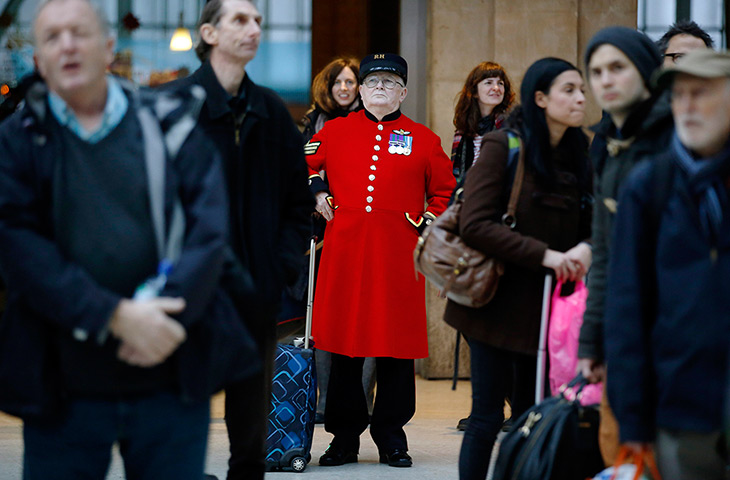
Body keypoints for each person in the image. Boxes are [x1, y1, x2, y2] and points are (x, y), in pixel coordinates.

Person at [0, 0, 257, 478]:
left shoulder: (169, 122)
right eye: (52, 37)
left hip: (169, 365)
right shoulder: (17, 139)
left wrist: (165, 314)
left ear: (109, 48)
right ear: (38, 60)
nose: (68, 45)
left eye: (80, 32)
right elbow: (17, 247)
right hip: (61, 379)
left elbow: (208, 229)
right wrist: (116, 316)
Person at [164, 1, 313, 479]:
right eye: (241, 20)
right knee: (177, 422)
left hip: (255, 291)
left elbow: (298, 202)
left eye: (258, 21)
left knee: (250, 435)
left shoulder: (271, 111)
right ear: (209, 32)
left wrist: (280, 267)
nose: (254, 29)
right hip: (185, 292)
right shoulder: (172, 106)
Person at [443, 57, 593, 480]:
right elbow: (475, 224)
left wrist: (587, 247)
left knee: (532, 416)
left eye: (582, 89)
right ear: (541, 98)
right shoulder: (503, 145)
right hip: (493, 304)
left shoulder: (580, 151)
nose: (581, 98)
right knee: (487, 417)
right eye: (569, 90)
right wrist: (546, 255)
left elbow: (593, 219)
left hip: (548, 310)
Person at [305, 53, 455, 468]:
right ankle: (343, 439)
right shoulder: (334, 132)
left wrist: (427, 220)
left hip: (398, 257)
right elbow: (303, 165)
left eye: (390, 83)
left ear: (403, 92)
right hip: (346, 253)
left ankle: (391, 436)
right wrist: (318, 193)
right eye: (372, 83)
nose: (380, 90)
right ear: (361, 91)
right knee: (344, 349)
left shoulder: (424, 140)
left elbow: (445, 193)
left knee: (395, 350)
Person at [604, 48, 730, 480]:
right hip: (680, 405)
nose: (688, 106)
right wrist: (633, 416)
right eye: (679, 96)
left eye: (703, 93)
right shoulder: (650, 184)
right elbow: (627, 308)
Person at [578, 26, 674, 465]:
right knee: (622, 449)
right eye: (596, 71)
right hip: (625, 334)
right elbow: (604, 253)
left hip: (677, 335)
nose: (606, 80)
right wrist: (592, 342)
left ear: (647, 72)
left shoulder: (676, 138)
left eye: (618, 67)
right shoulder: (610, 145)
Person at [294, 56, 376, 424]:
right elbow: (297, 170)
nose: (344, 88)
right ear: (327, 87)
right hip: (320, 232)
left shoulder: (375, 123)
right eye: (337, 82)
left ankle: (363, 401)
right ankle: (325, 400)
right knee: (324, 320)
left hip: (365, 232)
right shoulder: (310, 123)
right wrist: (317, 194)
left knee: (367, 317)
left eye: (350, 82)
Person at [451, 61, 515, 187]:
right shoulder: (462, 131)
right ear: (474, 92)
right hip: (470, 197)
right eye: (489, 82)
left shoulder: (511, 126)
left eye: (500, 83)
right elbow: (455, 176)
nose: (496, 88)